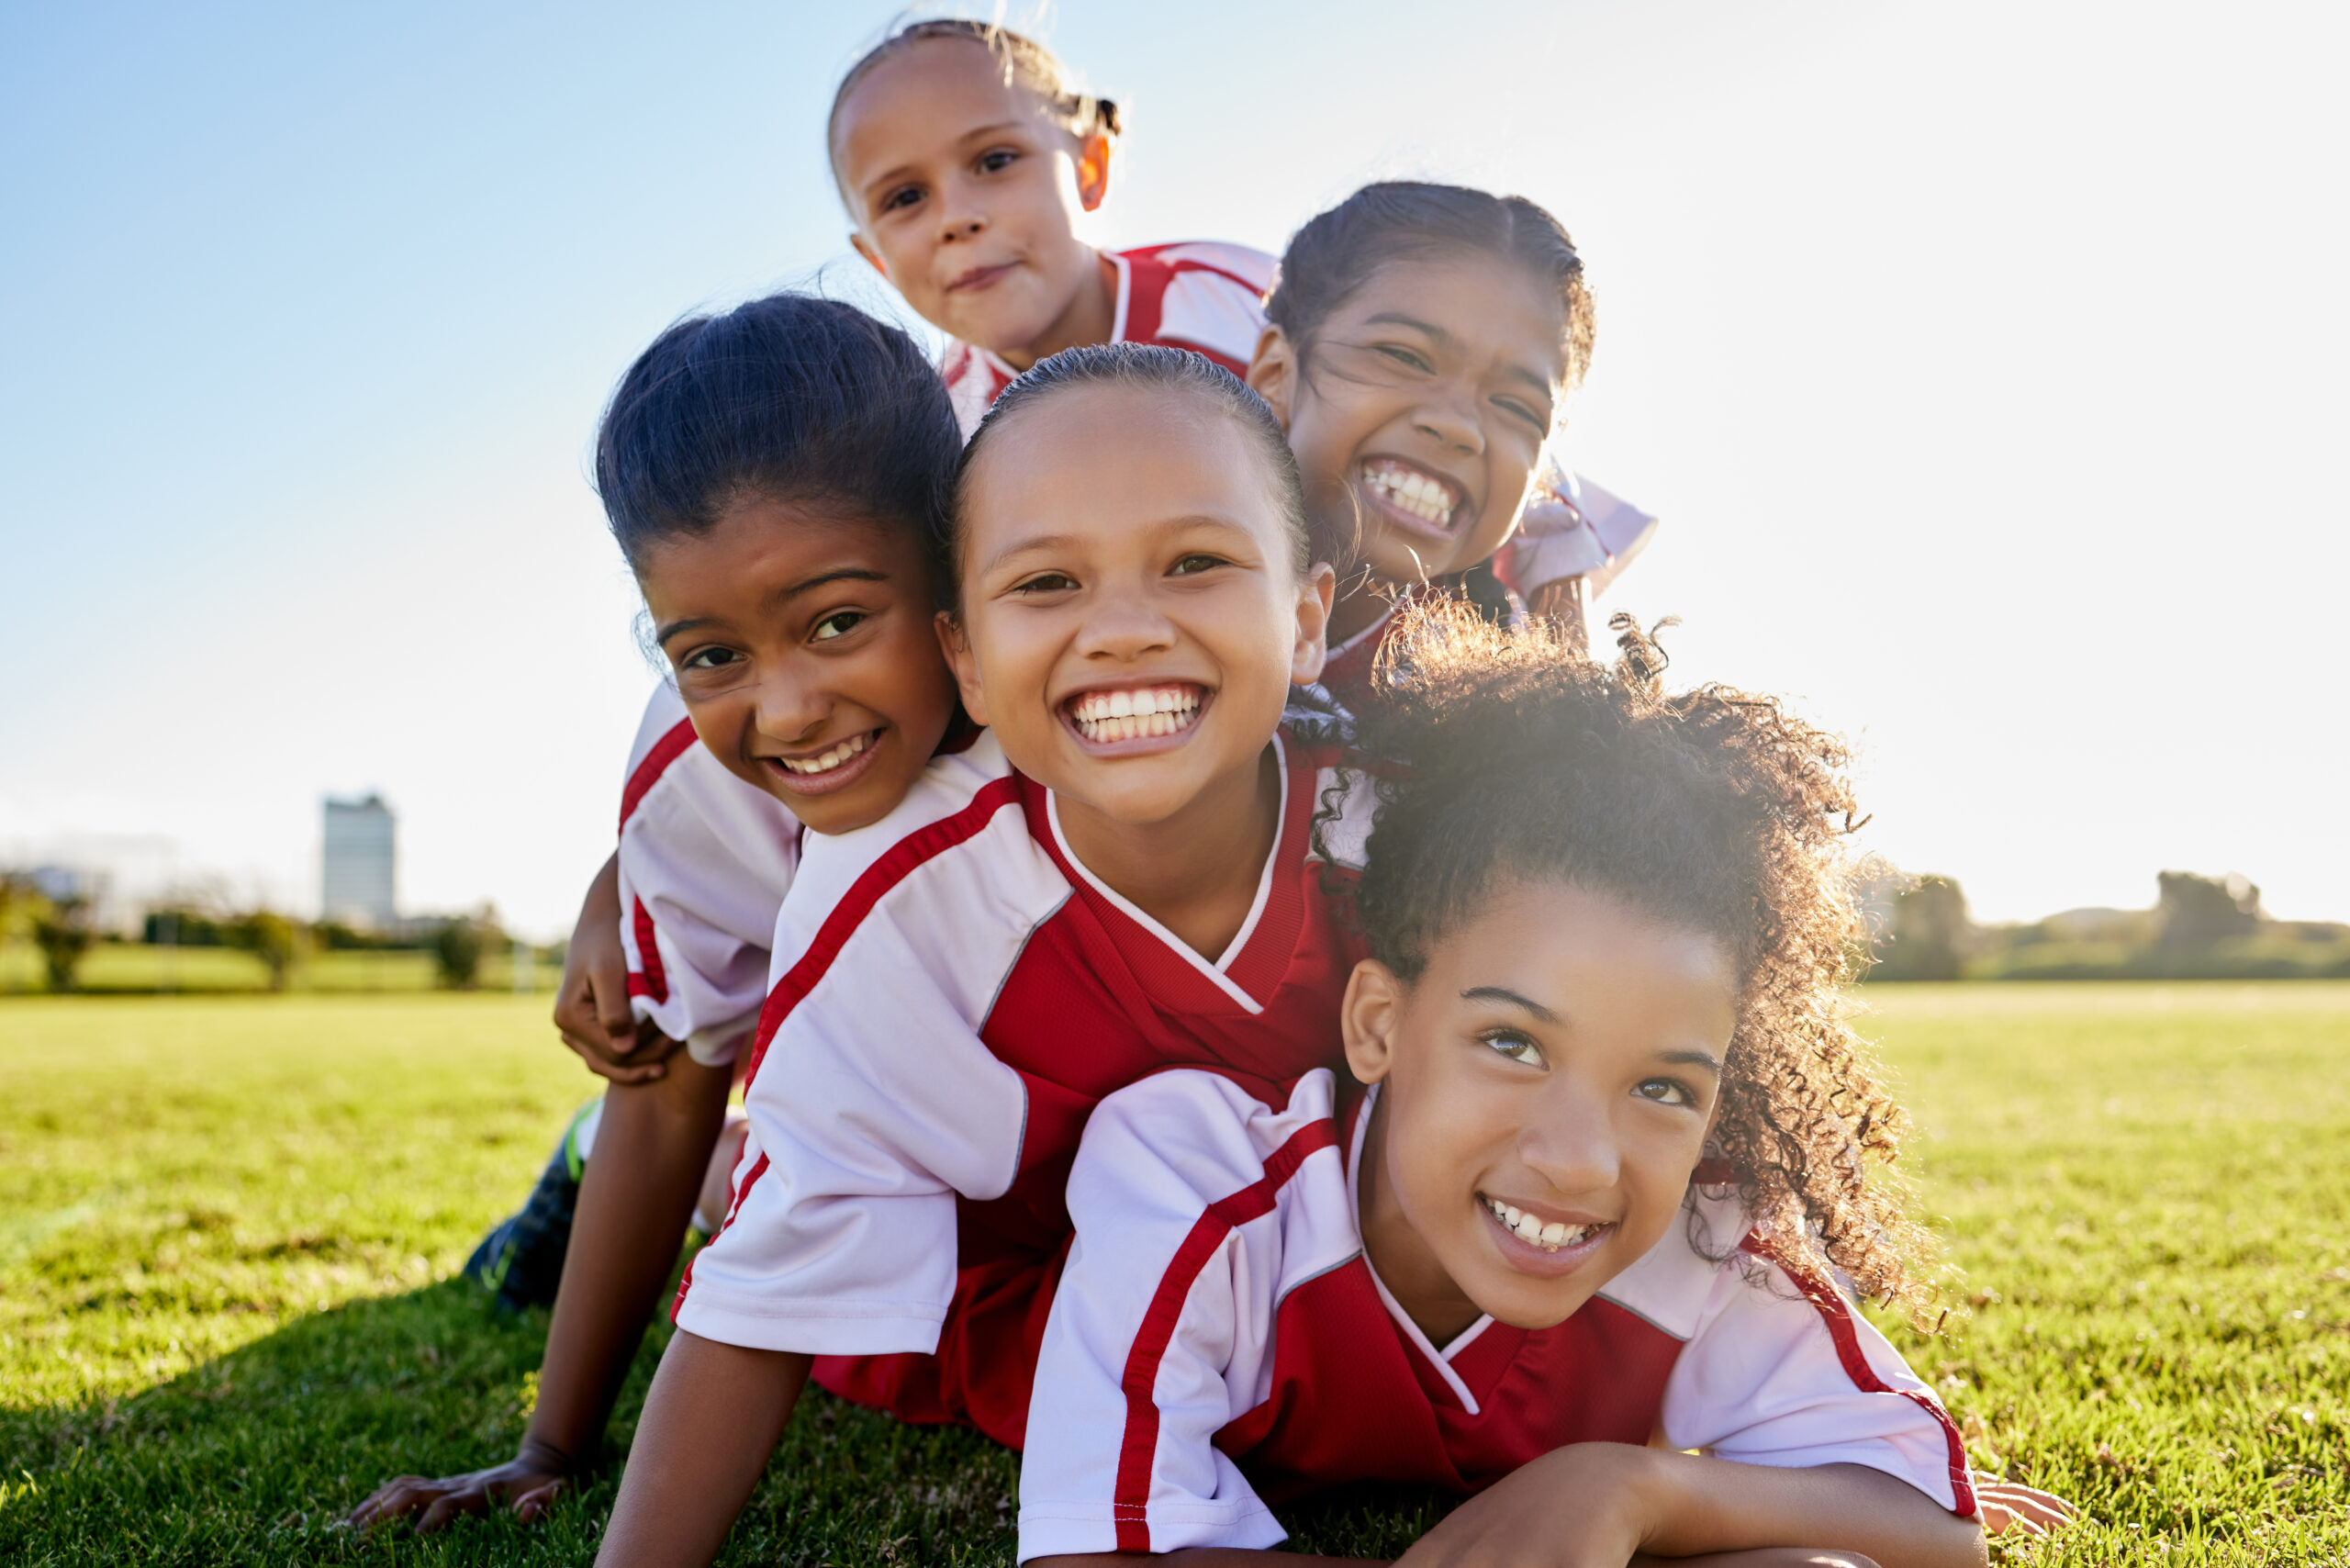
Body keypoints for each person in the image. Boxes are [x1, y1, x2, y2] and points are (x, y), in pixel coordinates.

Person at [1015, 602, 2063, 1566]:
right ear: (1379, 1024)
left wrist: (1628, 1488)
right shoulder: (1193, 1178)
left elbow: (1934, 1531)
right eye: (1513, 1043)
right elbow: (1085, 1552)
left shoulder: (1699, 1235)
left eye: (1662, 1088)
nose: (1579, 1161)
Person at [594, 344, 1368, 1565]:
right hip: (1008, 1297)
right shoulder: (895, 894)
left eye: (1195, 563)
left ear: (1308, 618)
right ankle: (705, 1168)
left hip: (1302, 1290)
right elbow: (763, 1296)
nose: (1124, 630)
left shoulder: (1407, 831)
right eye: (1048, 581)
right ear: (964, 656)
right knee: (783, 1186)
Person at [346, 292, 969, 1531]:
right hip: (850, 1123)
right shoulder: (699, 786)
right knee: (770, 1192)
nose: (785, 710)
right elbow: (670, 1079)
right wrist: (548, 1446)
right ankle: (577, 1169)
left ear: (954, 559)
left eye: (838, 622)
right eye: (710, 656)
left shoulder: (1074, 667)